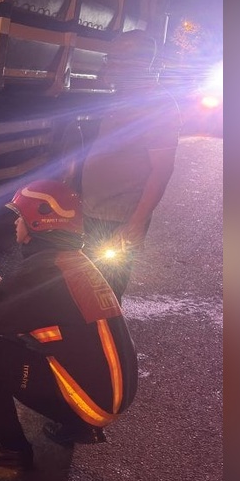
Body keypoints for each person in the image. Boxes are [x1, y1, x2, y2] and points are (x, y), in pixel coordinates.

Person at [0, 179, 138, 467]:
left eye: (20, 217)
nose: (16, 223)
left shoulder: (45, 271)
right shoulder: (67, 262)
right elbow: (26, 307)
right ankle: (75, 423)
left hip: (92, 401)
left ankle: (10, 446)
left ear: (37, 224)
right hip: (110, 392)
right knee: (18, 335)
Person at [76, 30, 181, 299]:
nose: (108, 65)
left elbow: (162, 169)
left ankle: (104, 342)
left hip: (119, 218)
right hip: (93, 211)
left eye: (116, 59)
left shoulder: (158, 106)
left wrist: (136, 222)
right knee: (81, 292)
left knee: (104, 297)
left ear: (139, 63)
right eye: (109, 58)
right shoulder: (119, 99)